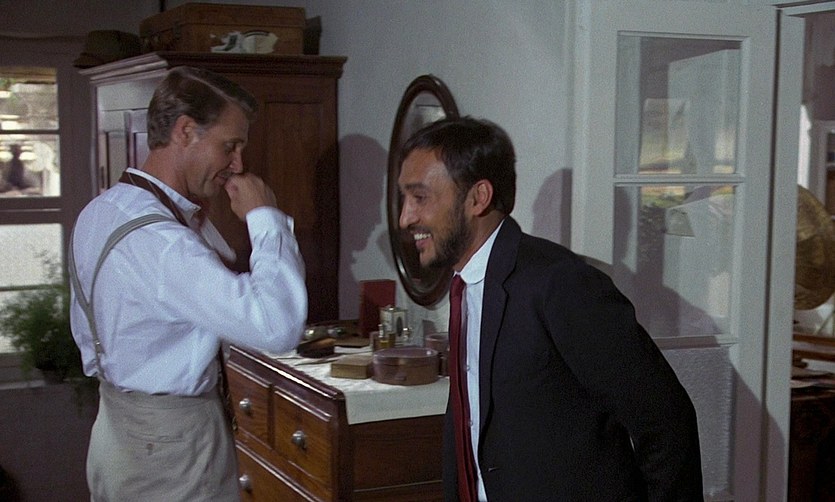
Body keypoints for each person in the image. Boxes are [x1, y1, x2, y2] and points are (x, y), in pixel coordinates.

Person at [397, 117, 703, 501]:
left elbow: (666, 420)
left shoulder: (561, 284)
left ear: (478, 198)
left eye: (420, 197)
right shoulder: (467, 285)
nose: (405, 218)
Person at [68, 66, 308, 501]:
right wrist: (266, 218)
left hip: (114, 431)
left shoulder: (102, 211)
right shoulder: (164, 244)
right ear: (184, 131)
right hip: (173, 447)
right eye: (229, 146)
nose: (238, 164)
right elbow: (278, 326)